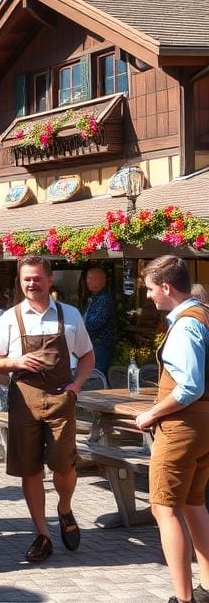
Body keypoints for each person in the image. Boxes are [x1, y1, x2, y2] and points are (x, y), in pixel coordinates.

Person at [0, 255, 94, 563]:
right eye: (26, 279)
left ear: (50, 280)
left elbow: (87, 356)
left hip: (62, 399)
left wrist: (76, 386)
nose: (31, 284)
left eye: (37, 278)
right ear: (20, 283)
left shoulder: (70, 314)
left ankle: (64, 506)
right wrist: (15, 362)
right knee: (30, 468)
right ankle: (42, 534)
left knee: (64, 464)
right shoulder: (9, 317)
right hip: (24, 400)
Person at [135, 256, 209, 603]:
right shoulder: (203, 315)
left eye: (151, 289)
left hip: (183, 426)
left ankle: (184, 599)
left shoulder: (185, 324)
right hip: (203, 424)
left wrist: (151, 413)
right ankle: (206, 588)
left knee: (164, 509)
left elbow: (189, 387)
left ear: (166, 287)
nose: (149, 296)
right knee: (194, 505)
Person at [83, 266, 116, 377]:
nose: (89, 281)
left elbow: (94, 323)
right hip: (93, 344)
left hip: (100, 344)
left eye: (93, 278)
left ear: (103, 281)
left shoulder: (104, 298)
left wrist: (78, 329)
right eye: (88, 278)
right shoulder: (95, 296)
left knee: (97, 376)